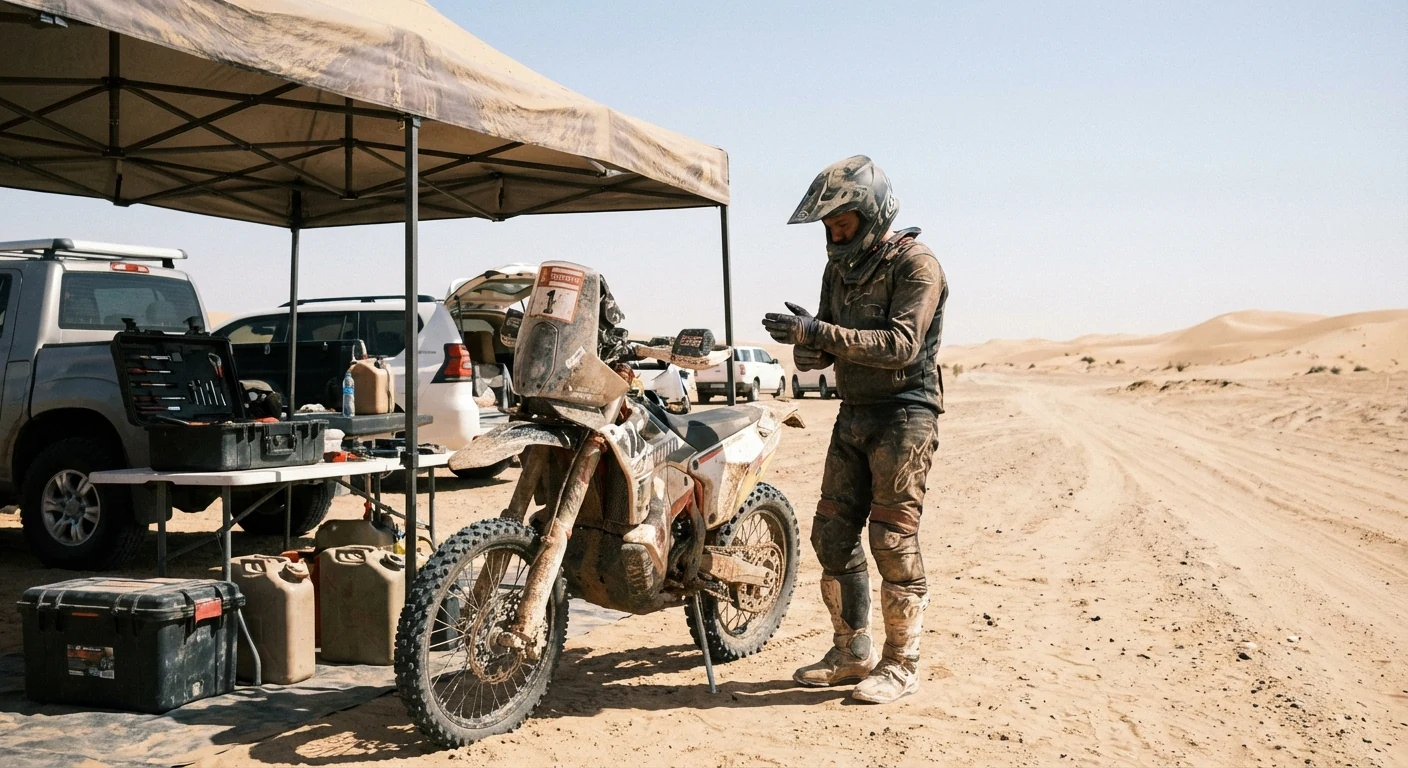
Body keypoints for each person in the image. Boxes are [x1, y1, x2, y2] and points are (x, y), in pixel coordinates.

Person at [762, 155, 948, 704]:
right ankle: (851, 650)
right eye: (828, 226)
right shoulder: (838, 270)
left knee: (891, 539)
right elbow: (818, 356)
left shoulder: (917, 265)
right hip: (855, 412)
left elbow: (900, 346)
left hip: (905, 415)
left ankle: (900, 663)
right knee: (831, 533)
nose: (834, 234)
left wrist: (822, 331)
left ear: (872, 215)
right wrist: (808, 340)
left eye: (843, 223)